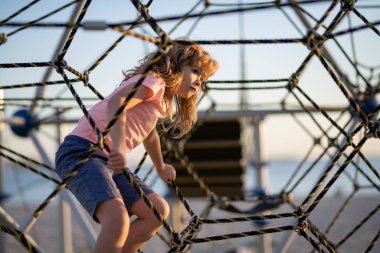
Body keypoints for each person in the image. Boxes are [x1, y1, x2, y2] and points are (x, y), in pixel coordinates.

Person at [55, 40, 218, 253]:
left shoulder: (160, 97)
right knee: (117, 219)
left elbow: (150, 135)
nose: (199, 82)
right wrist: (120, 148)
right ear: (176, 64)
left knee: (158, 210)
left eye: (203, 79)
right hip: (82, 150)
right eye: (195, 71)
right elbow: (117, 103)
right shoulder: (154, 82)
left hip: (106, 158)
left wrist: (160, 167)